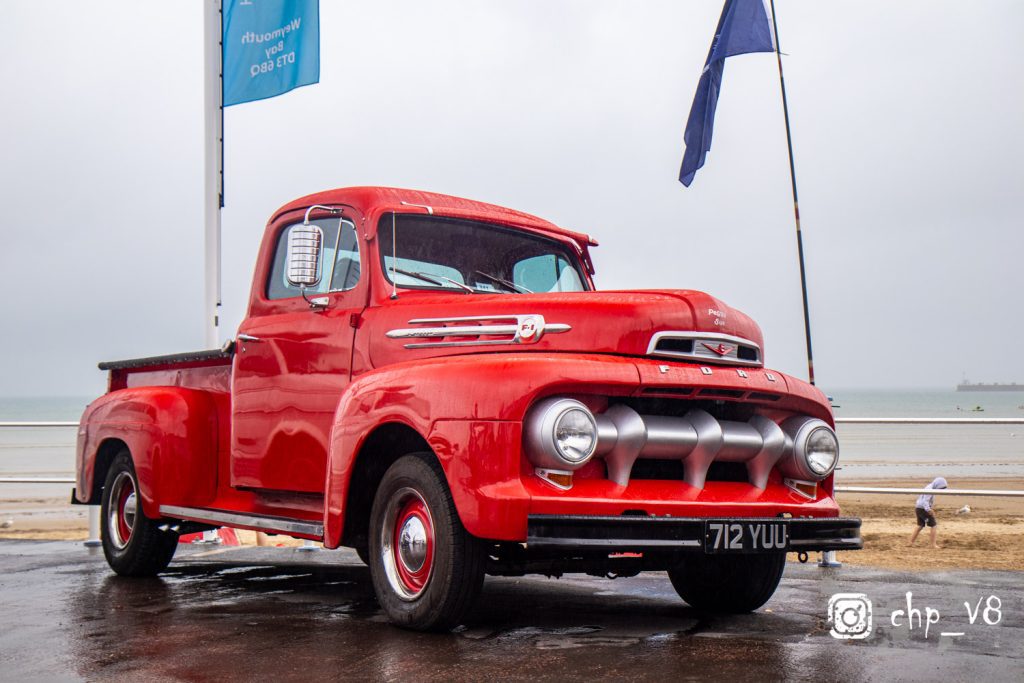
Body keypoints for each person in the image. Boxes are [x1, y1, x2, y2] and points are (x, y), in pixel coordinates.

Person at [908, 477, 948, 548]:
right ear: (938, 485)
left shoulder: (929, 487)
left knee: (920, 525)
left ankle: (910, 542)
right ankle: (933, 544)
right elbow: (925, 501)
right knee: (934, 525)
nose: (940, 490)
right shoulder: (930, 489)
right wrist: (928, 509)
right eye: (940, 488)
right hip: (923, 509)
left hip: (918, 508)